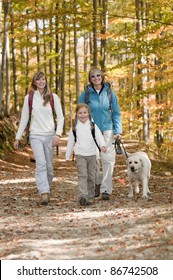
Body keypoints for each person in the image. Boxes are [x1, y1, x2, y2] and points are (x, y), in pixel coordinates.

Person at [13, 71, 64, 205]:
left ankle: (46, 186)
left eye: (43, 79)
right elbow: (24, 119)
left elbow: (61, 117)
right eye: (38, 80)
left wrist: (58, 134)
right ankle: (44, 192)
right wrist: (18, 138)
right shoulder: (29, 98)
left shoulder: (53, 97)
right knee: (40, 164)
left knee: (49, 167)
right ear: (34, 82)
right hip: (35, 135)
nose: (41, 82)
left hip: (50, 135)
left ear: (46, 81)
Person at [78, 67, 122, 200]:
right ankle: (96, 183)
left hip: (108, 129)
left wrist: (118, 131)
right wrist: (79, 132)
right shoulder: (85, 94)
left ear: (102, 77)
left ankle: (106, 190)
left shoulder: (109, 93)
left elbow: (116, 113)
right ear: (90, 79)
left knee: (108, 159)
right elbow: (79, 113)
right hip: (91, 131)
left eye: (98, 75)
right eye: (93, 76)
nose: (96, 78)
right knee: (94, 160)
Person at [66, 103, 106, 206]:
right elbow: (70, 141)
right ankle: (83, 195)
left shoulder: (92, 126)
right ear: (76, 114)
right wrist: (67, 155)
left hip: (92, 154)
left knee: (91, 176)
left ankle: (90, 196)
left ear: (88, 114)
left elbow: (99, 137)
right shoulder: (75, 128)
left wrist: (102, 146)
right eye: (80, 113)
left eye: (84, 112)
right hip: (80, 154)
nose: (82, 115)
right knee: (82, 175)